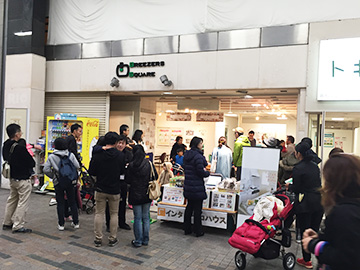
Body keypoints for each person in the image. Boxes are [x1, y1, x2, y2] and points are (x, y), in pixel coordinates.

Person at [302, 154, 360, 270]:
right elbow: (347, 241)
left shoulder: (344, 212)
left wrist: (312, 245)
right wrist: (321, 238)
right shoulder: (352, 207)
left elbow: (346, 257)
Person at [286, 141, 323, 269]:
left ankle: (307, 260)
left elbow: (297, 188)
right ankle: (318, 258)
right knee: (314, 231)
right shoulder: (314, 166)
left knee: (305, 231)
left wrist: (288, 186)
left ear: (299, 153)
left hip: (305, 203)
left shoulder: (298, 168)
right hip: (319, 202)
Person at [89, 132, 125, 247]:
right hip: (114, 189)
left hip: (100, 188)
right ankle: (112, 238)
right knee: (114, 214)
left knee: (99, 213)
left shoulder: (98, 155)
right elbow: (122, 172)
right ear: (115, 142)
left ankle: (98, 238)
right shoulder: (120, 156)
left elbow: (92, 172)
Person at [2, 124, 35, 233]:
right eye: (20, 132)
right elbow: (31, 162)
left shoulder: (6, 145)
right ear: (17, 134)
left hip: (12, 178)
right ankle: (18, 225)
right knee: (22, 202)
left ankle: (7, 222)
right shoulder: (20, 148)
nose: (21, 134)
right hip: (23, 179)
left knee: (12, 199)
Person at [43, 138, 80, 231]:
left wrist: (53, 176)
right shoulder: (70, 155)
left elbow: (46, 169)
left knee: (60, 202)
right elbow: (77, 166)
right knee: (72, 201)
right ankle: (76, 222)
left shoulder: (52, 156)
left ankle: (61, 224)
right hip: (70, 181)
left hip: (58, 181)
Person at [126, 145, 158, 247]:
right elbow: (155, 176)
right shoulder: (149, 164)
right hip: (147, 193)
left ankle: (138, 241)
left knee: (137, 218)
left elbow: (127, 180)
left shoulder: (131, 165)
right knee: (146, 218)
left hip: (135, 194)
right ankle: (145, 240)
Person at [183, 136, 210, 237]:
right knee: (198, 210)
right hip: (197, 186)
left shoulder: (187, 154)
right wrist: (207, 173)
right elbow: (200, 170)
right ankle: (198, 231)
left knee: (189, 207)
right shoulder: (198, 156)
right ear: (198, 144)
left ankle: (187, 229)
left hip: (188, 185)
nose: (202, 145)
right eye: (201, 143)